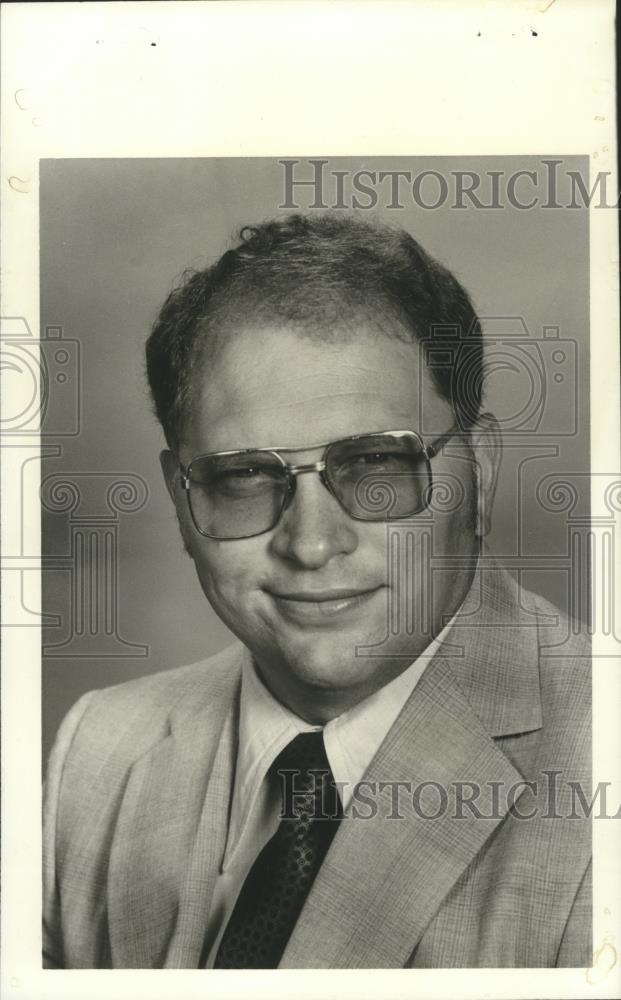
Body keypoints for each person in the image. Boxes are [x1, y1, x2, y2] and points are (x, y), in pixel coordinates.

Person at [43, 213, 591, 969]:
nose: (309, 544)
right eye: (243, 476)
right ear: (181, 494)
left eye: (373, 465)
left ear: (480, 473)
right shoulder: (98, 750)